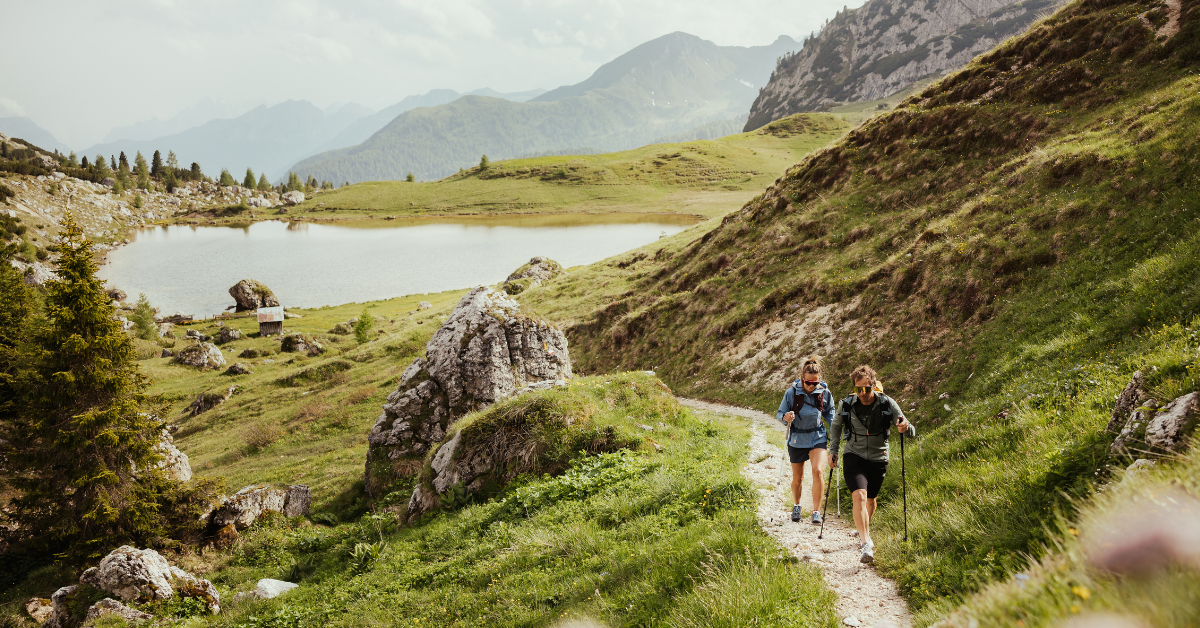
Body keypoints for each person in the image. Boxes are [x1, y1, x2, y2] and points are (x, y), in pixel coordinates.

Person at [829, 365, 914, 564]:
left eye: (867, 389)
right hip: (854, 453)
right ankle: (866, 542)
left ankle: (863, 529)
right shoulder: (847, 404)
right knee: (859, 495)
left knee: (871, 500)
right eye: (858, 389)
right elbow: (836, 426)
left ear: (874, 386)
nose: (863, 394)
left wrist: (905, 427)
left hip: (878, 457)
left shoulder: (887, 403)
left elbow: (909, 430)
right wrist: (833, 450)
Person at [776, 356, 834, 524]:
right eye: (808, 382)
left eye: (815, 383)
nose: (811, 386)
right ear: (802, 377)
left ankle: (816, 511)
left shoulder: (824, 392)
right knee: (798, 478)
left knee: (817, 471)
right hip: (797, 438)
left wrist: (836, 427)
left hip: (818, 436)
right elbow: (780, 413)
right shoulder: (791, 392)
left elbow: (830, 412)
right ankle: (797, 505)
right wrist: (785, 417)